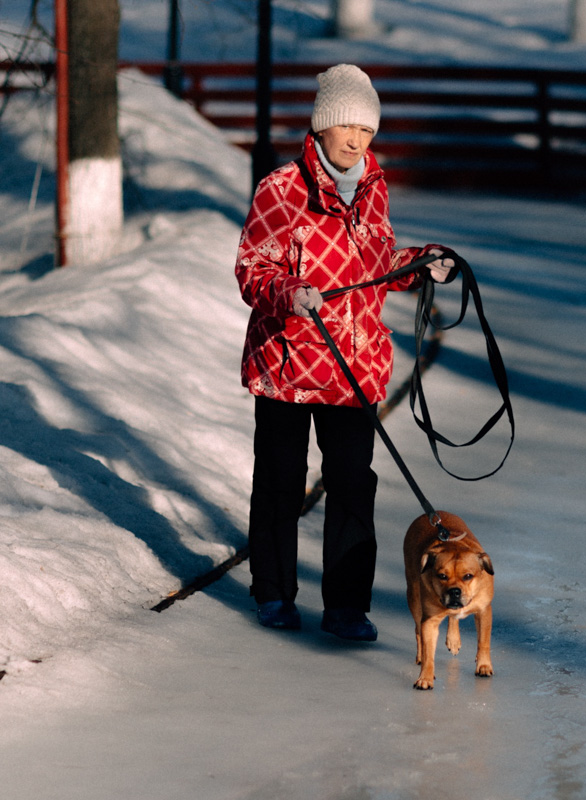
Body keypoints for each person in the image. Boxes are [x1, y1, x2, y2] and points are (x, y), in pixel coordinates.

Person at [234, 64, 456, 641]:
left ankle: (347, 608)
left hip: (354, 366)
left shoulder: (374, 188)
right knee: (281, 481)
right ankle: (274, 593)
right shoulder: (281, 188)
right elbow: (252, 269)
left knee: (354, 483)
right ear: (321, 126)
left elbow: (376, 266)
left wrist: (422, 262)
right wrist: (288, 291)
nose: (356, 140)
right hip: (287, 365)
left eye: (367, 129)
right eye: (347, 126)